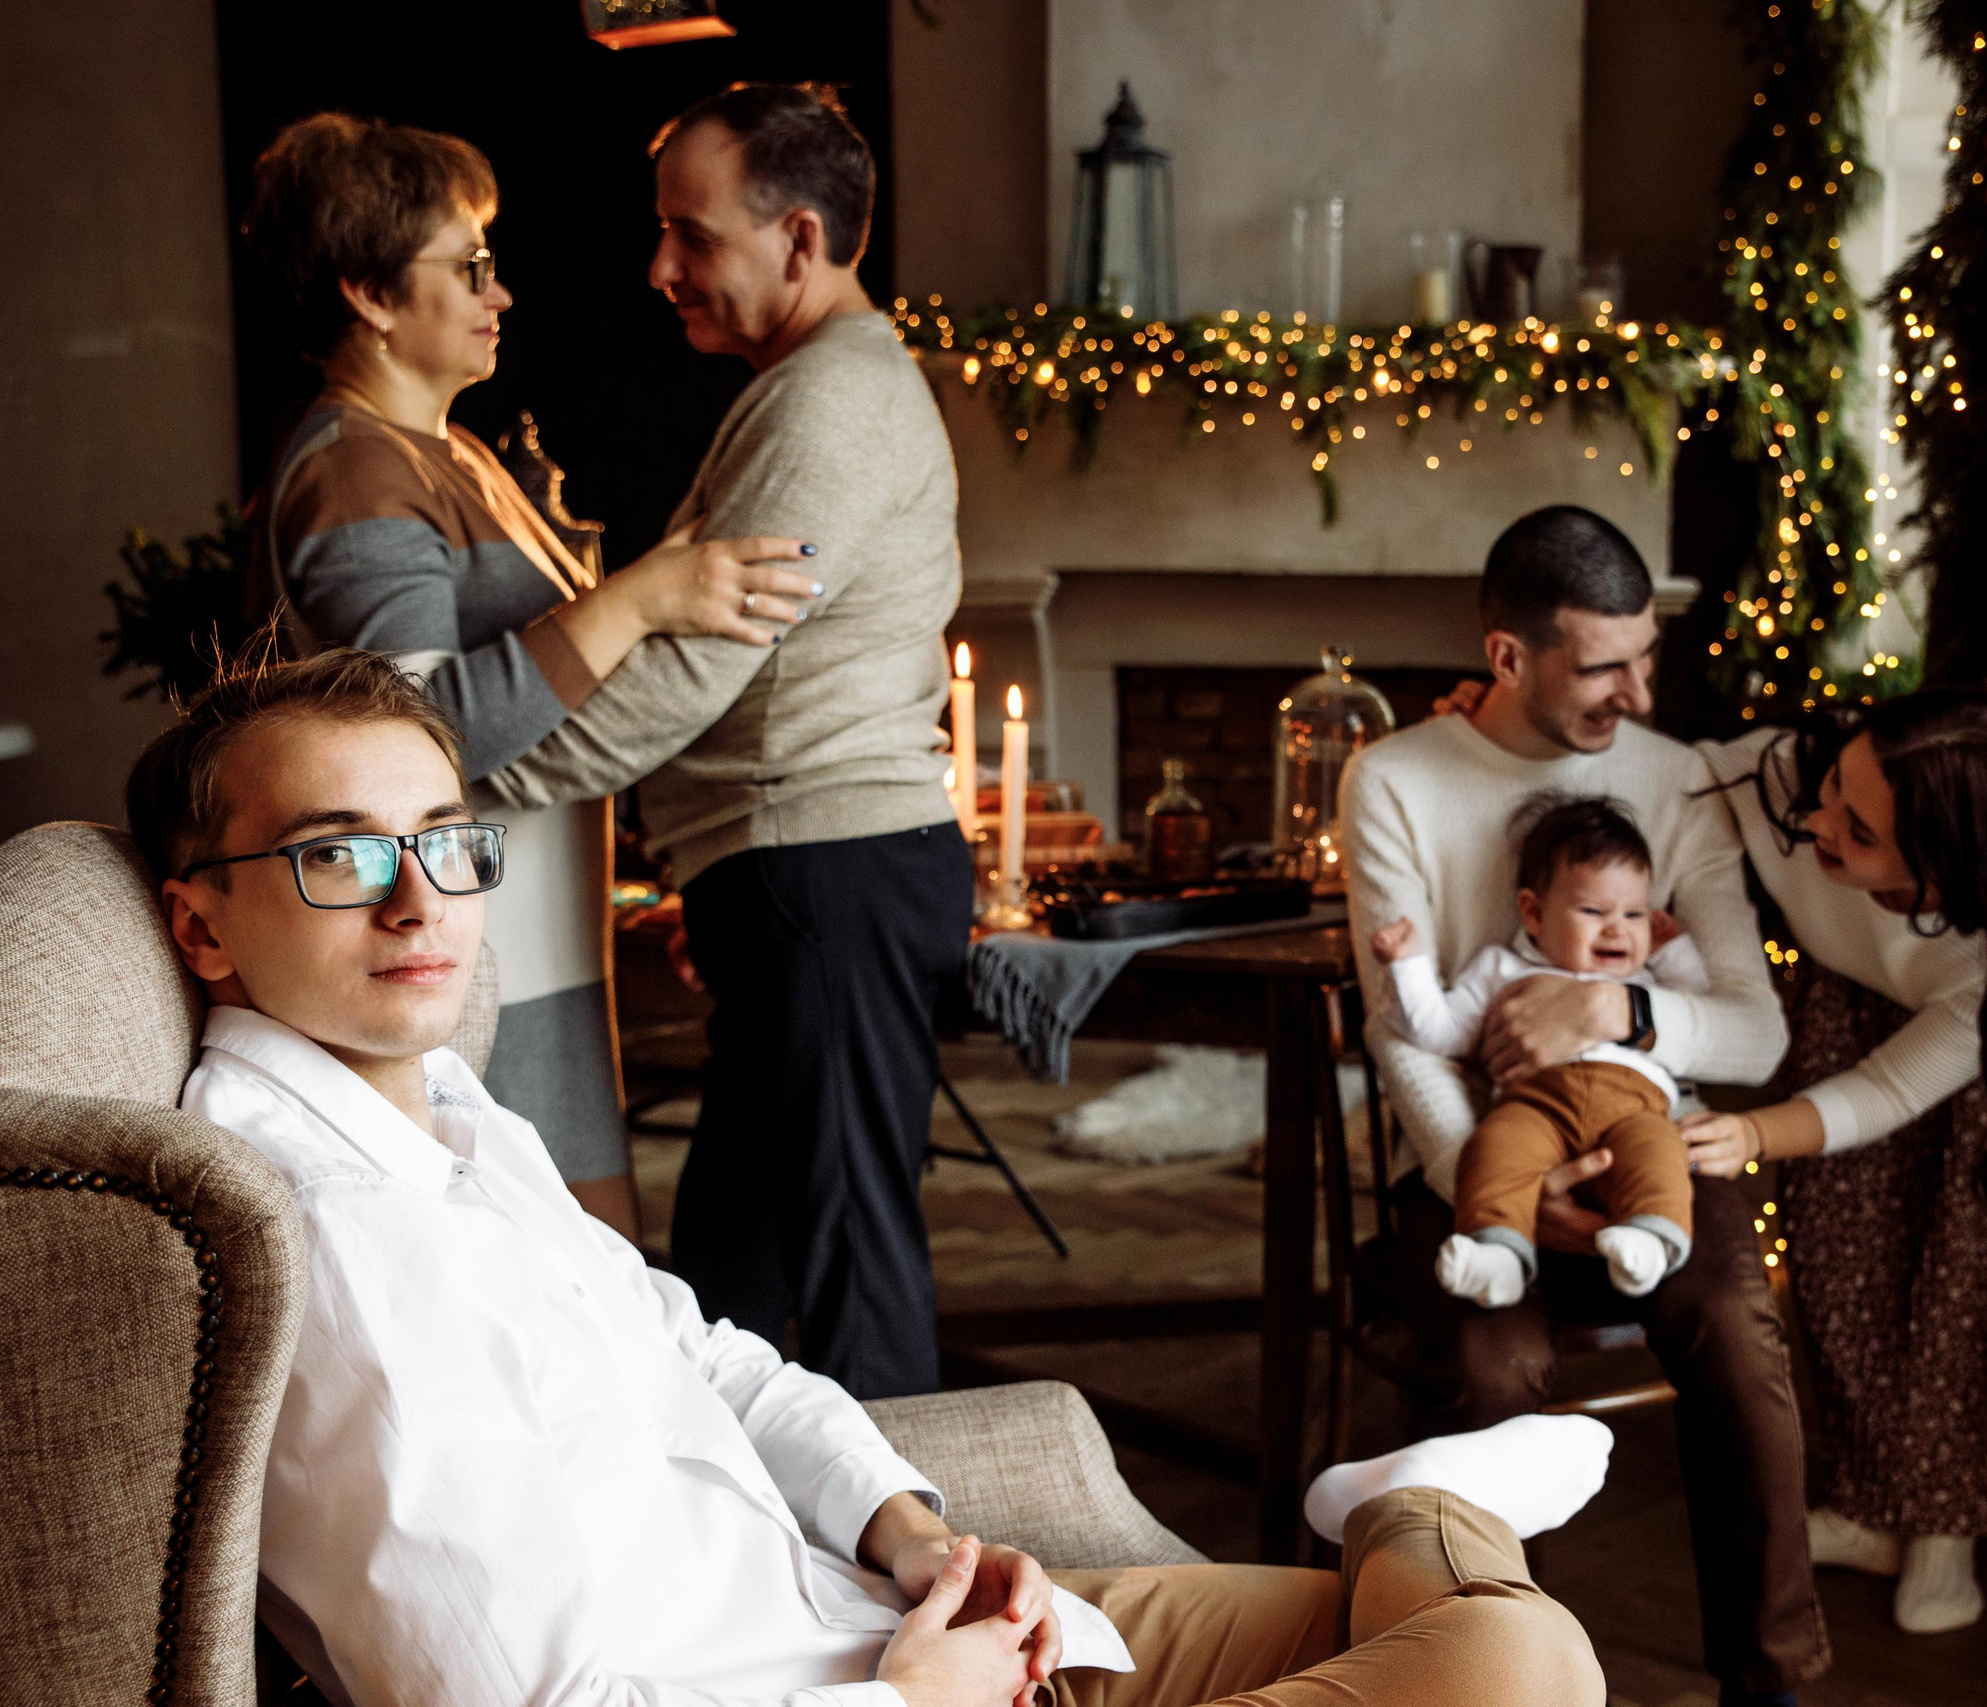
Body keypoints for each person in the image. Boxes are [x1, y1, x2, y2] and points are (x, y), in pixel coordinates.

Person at [129, 647, 1611, 1707]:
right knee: (1516, 1656)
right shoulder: (327, 1240)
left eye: (446, 843)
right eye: (338, 857)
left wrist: (910, 1533)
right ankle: (1420, 1507)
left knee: (1455, 1639)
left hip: (867, 1626)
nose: (419, 900)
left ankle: (1416, 1515)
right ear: (202, 926)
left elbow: (707, 1354)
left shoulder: (447, 1113)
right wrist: (914, 1696)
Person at [237, 112, 820, 1239]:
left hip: (537, 949)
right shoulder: (356, 471)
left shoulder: (451, 452)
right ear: (368, 292)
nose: (498, 293)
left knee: (598, 1273)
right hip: (456, 964)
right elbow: (423, 732)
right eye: (468, 267)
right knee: (562, 1277)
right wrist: (637, 597)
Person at [474, 82, 968, 1401]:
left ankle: (915, 1529)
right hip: (795, 867)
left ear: (801, 241)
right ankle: (734, 1513)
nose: (660, 267)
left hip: (827, 865)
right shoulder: (808, 387)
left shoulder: (829, 401)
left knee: (848, 1278)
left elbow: (690, 669)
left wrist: (464, 772)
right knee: (732, 1272)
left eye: (692, 236)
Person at [1340, 506, 1824, 1707]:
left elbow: (1756, 1030)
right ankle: (1496, 1678)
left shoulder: (1676, 779)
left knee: (1738, 1332)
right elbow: (1401, 1030)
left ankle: (1769, 1682)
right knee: (1487, 1368)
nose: (1639, 693)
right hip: (1475, 1159)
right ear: (1508, 657)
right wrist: (1495, 1180)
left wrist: (1617, 1010)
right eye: (1606, 667)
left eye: (1645, 657)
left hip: (1648, 1147)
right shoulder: (1391, 779)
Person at [1678, 690, 1987, 1635]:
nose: (1819, 821)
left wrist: (1753, 1133)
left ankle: (1948, 1520)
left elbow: (1890, 1091)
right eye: (1834, 787)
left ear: (1941, 869)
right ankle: (1872, 1501)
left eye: (1858, 829)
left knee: (1978, 1252)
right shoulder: (1796, 776)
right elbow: (1671, 782)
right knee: (1839, 1232)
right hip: (1865, 972)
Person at [1371, 793, 1709, 1306]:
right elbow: (1439, 1032)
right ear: (1533, 912)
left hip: (1634, 1108)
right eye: (1594, 911)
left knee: (1661, 1152)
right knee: (1492, 1150)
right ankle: (1498, 1254)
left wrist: (1673, 948)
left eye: (1635, 913)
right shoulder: (1499, 969)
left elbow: (1700, 1012)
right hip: (1534, 1107)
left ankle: (1649, 1241)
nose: (1617, 929)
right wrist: (1409, 966)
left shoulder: (1645, 981)